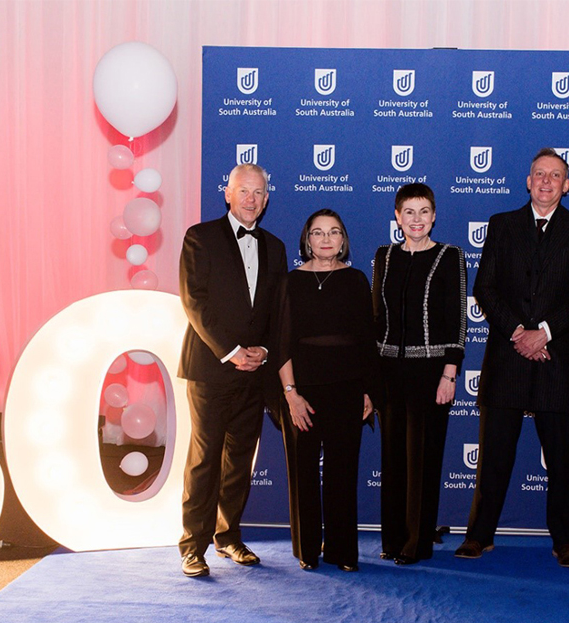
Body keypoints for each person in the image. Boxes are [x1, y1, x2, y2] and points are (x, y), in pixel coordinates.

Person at [455, 148, 569, 569]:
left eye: (556, 175)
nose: (547, 181)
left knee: (562, 461)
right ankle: (479, 536)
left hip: (558, 360)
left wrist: (545, 333)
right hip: (508, 357)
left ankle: (567, 542)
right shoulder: (502, 225)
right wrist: (519, 333)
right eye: (539, 174)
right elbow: (486, 287)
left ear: (567, 184)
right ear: (528, 180)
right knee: (495, 457)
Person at [177, 163, 287, 577]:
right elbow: (194, 302)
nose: (251, 199)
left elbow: (276, 311)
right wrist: (232, 351)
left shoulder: (274, 247)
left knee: (240, 459)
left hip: (254, 372)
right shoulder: (200, 237)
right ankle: (193, 545)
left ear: (266, 198)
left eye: (259, 193)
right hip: (211, 368)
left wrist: (262, 352)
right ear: (228, 193)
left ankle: (228, 537)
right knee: (205, 459)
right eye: (244, 191)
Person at [274, 209, 378, 572]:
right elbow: (282, 342)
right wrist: (290, 393)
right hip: (304, 390)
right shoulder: (290, 282)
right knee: (303, 470)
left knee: (342, 471)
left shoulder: (355, 280)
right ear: (307, 240)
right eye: (318, 233)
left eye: (334, 232)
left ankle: (342, 550)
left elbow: (368, 341)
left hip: (348, 389)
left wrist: (369, 391)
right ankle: (307, 550)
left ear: (343, 239)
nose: (326, 239)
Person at [373, 183, 466, 565]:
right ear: (397, 216)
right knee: (393, 458)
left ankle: (418, 542)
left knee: (423, 460)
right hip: (388, 370)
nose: (416, 219)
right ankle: (393, 539)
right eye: (408, 212)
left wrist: (449, 374)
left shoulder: (450, 256)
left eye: (424, 211)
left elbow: (458, 320)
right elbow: (376, 319)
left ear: (434, 215)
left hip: (430, 372)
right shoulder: (384, 256)